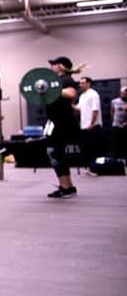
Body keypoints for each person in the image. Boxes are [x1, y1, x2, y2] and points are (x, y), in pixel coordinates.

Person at [44, 56, 79, 198]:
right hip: (58, 122)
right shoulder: (59, 81)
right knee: (57, 153)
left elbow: (71, 93)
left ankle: (65, 187)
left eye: (54, 64)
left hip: (62, 122)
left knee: (53, 152)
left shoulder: (66, 80)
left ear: (62, 66)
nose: (52, 66)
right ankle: (69, 186)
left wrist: (50, 89)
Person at [76, 76, 103, 168]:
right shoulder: (82, 96)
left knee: (93, 148)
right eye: (80, 83)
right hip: (84, 126)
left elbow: (95, 110)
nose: (80, 85)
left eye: (82, 83)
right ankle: (88, 167)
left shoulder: (93, 94)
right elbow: (79, 108)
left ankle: (95, 168)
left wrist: (92, 123)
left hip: (93, 126)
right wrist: (69, 104)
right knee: (86, 148)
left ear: (88, 83)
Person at [111, 86, 127, 159]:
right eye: (124, 93)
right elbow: (112, 111)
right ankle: (117, 161)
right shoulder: (114, 101)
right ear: (121, 93)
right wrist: (114, 120)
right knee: (116, 144)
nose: (125, 94)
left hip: (125, 126)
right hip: (116, 125)